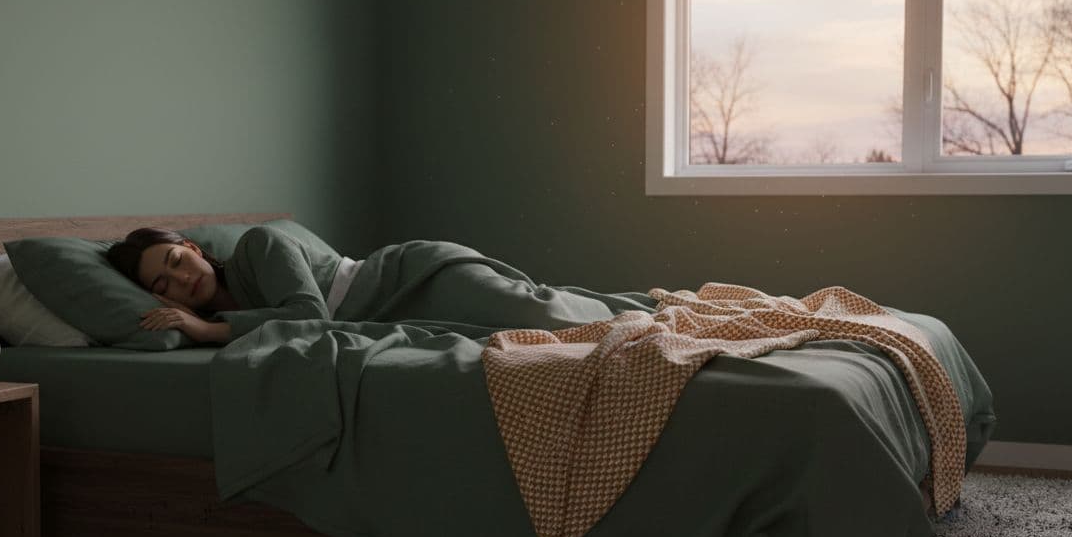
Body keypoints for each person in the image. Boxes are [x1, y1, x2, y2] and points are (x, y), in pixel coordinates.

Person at [106, 225, 660, 344]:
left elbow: (308, 313)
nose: (181, 278)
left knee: (537, 311)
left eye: (178, 260)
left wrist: (206, 331)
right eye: (165, 283)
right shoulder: (211, 304)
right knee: (528, 328)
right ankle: (642, 307)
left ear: (196, 249)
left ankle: (653, 311)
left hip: (408, 277)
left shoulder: (257, 245)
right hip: (390, 315)